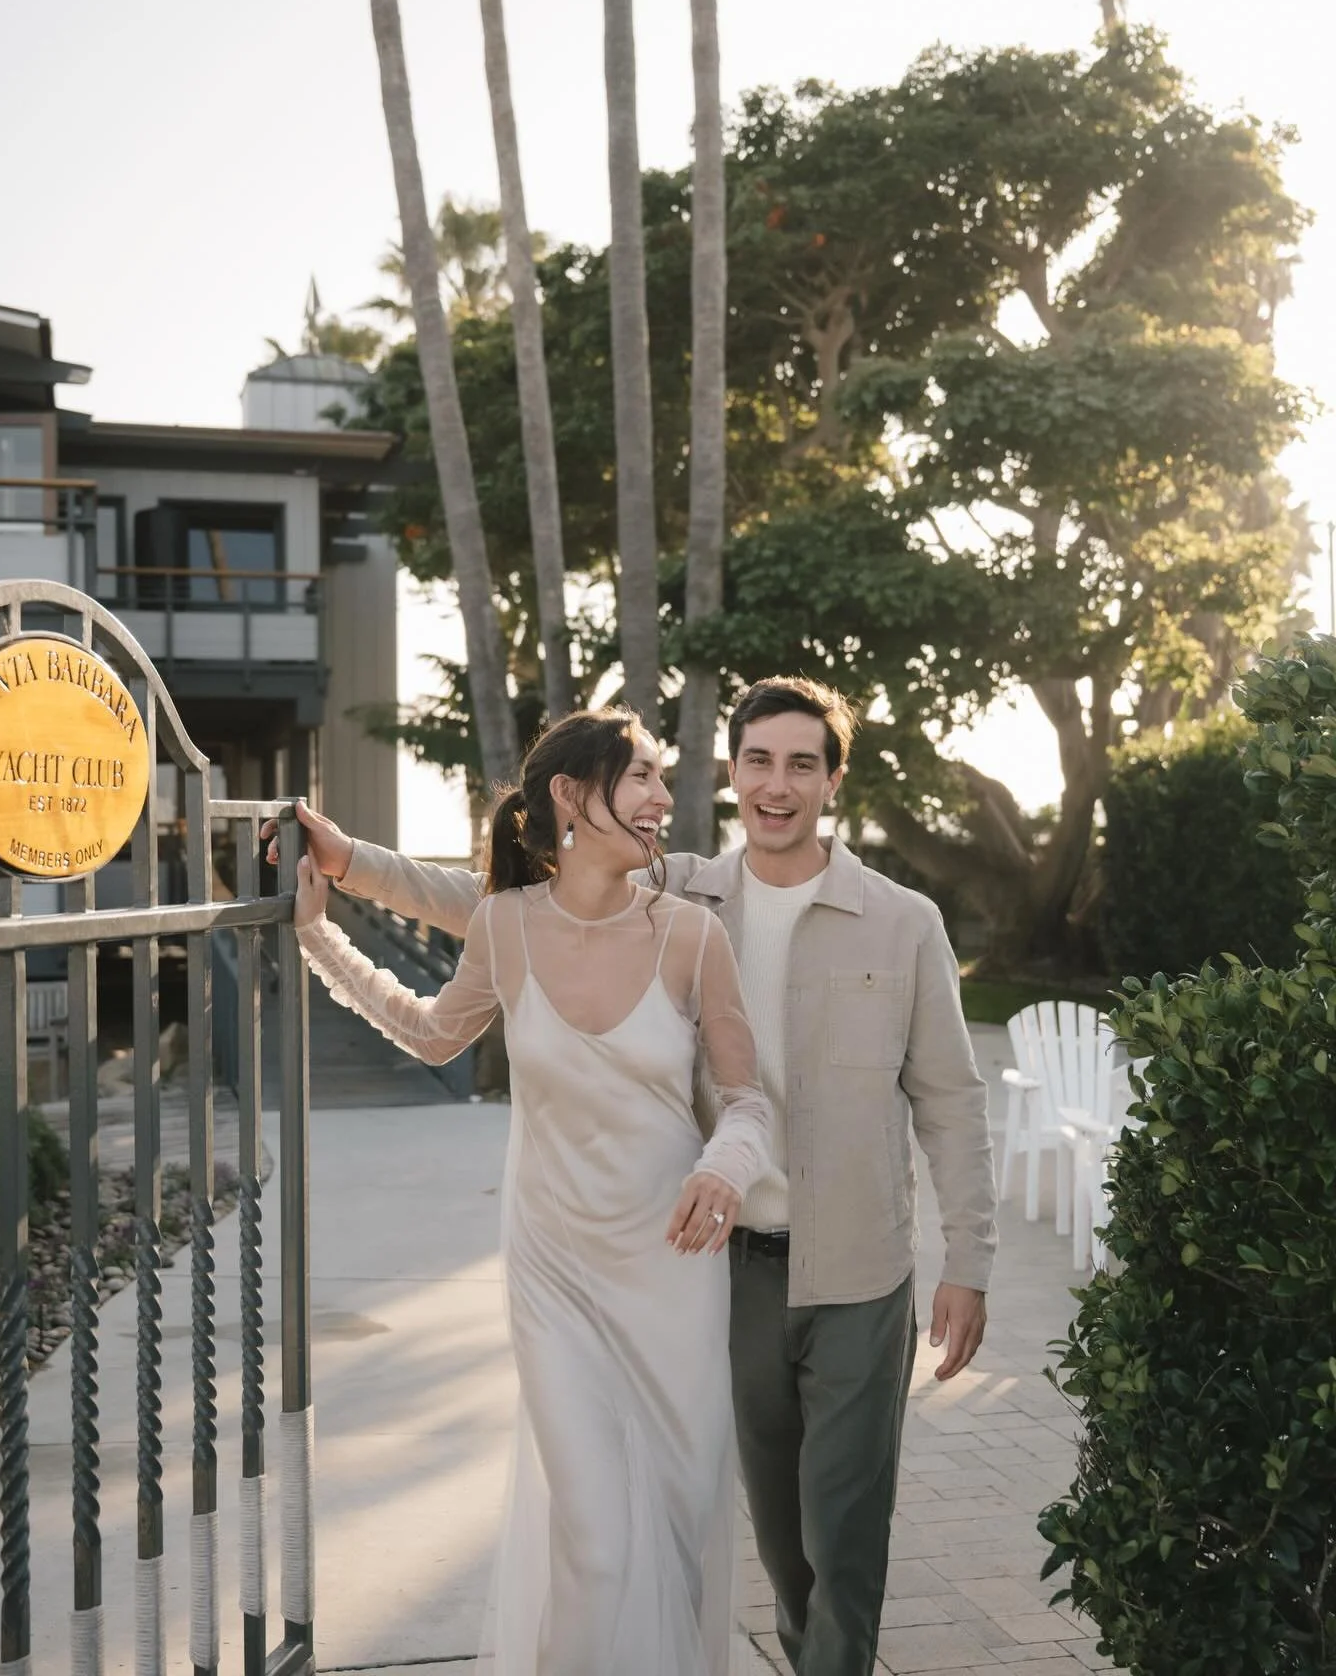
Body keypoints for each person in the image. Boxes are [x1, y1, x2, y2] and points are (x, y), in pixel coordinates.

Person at [272, 675, 997, 1676]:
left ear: (833, 781)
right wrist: (346, 871)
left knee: (836, 1542)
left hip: (847, 1274)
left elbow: (949, 1102)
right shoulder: (686, 888)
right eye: (756, 762)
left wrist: (970, 1256)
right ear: (736, 775)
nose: (775, 785)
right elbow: (486, 906)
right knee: (761, 1553)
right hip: (716, 1272)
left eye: (800, 764)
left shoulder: (895, 920)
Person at [287, 707, 771, 1676]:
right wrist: (319, 940)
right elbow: (431, 1034)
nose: (661, 800)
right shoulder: (505, 926)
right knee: (593, 1540)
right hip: (554, 1279)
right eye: (640, 777)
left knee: (671, 1539)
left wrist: (725, 1165)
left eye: (662, 782)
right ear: (570, 795)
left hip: (673, 1277)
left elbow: (749, 1103)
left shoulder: (692, 938)